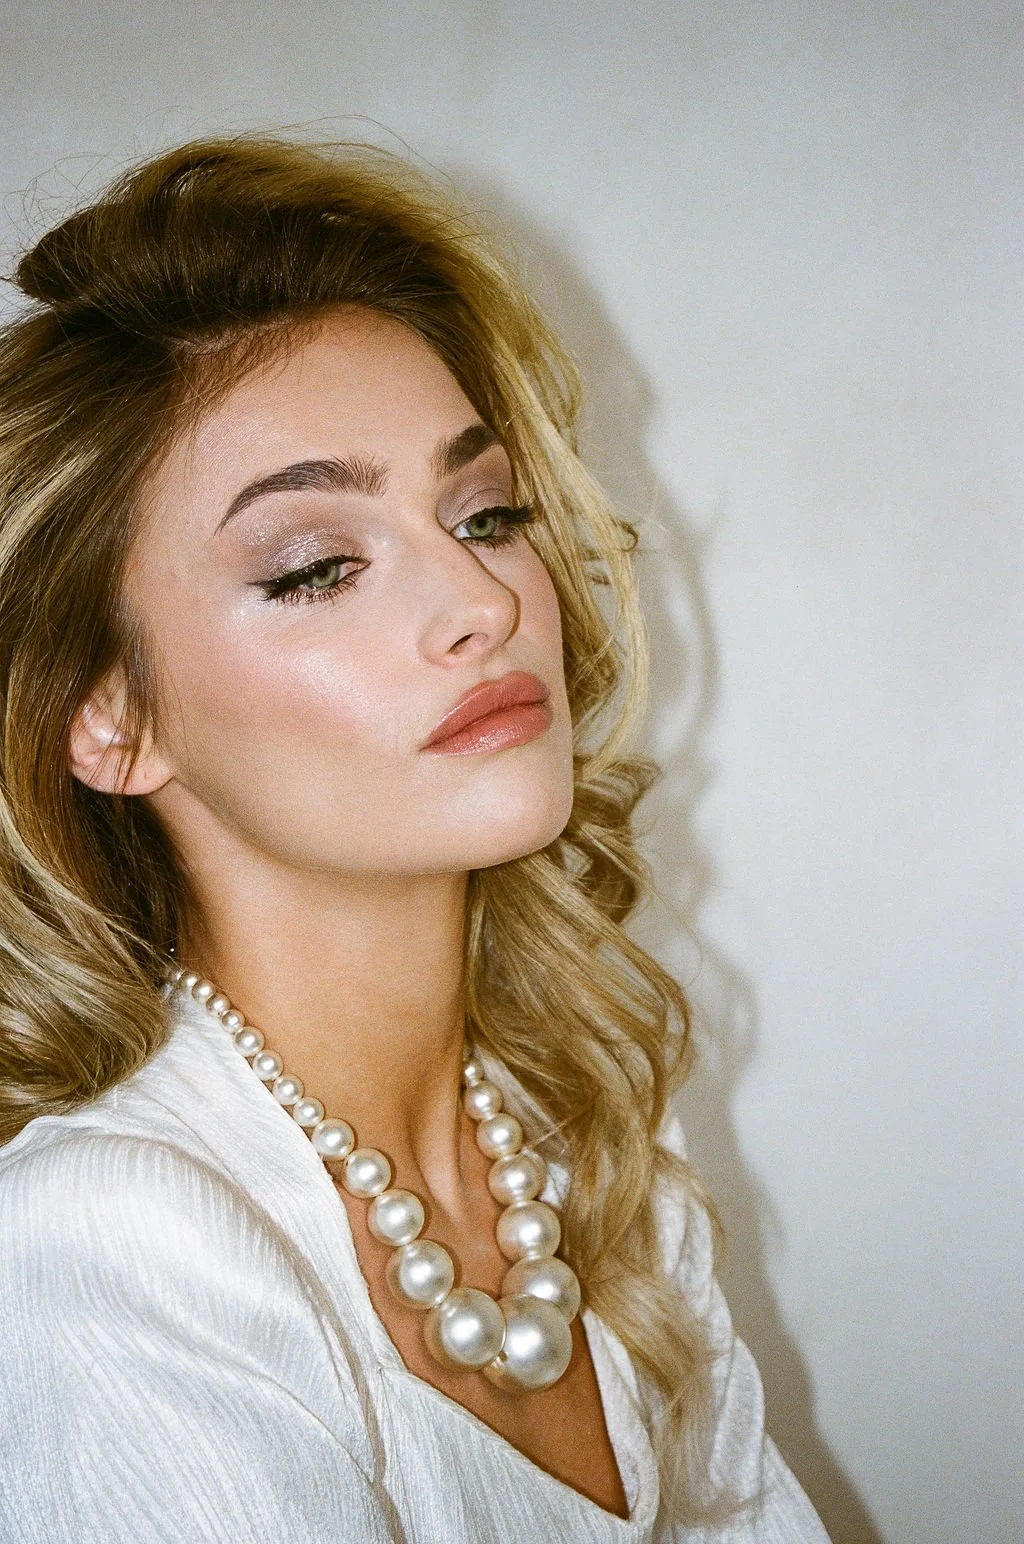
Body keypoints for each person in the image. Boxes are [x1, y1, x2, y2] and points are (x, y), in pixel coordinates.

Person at [0, 135, 829, 1542]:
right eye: (319, 566)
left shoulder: (591, 1149)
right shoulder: (104, 1243)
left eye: (486, 513)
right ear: (112, 718)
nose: (485, 601)